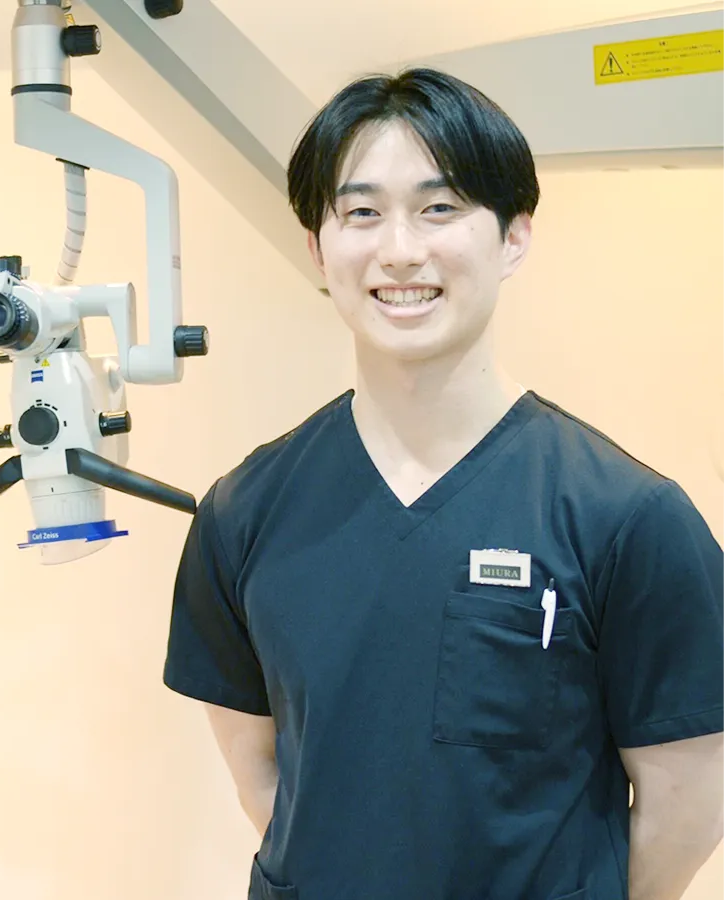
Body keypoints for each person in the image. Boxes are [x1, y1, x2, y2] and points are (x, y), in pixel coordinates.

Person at [162, 68, 724, 900]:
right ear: (317, 248)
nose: (399, 250)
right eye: (361, 213)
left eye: (440, 207)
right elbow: (266, 782)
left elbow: (688, 804)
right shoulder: (242, 513)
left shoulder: (628, 518)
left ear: (514, 237)